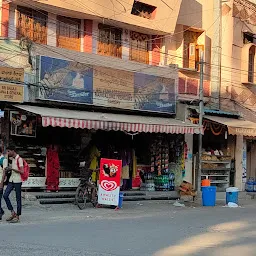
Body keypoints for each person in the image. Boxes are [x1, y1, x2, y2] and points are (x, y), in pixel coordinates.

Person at [3, 144, 24, 223]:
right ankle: (12, 212)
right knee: (5, 195)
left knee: (18, 198)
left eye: (8, 151)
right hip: (11, 180)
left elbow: (22, 171)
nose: (8, 153)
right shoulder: (12, 159)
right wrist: (9, 169)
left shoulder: (19, 159)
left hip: (18, 181)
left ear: (13, 151)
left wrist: (12, 168)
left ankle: (17, 216)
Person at [0, 148, 7, 221]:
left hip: (0, 181)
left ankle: (0, 214)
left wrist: (2, 182)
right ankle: (1, 211)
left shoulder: (3, 160)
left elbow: (4, 172)